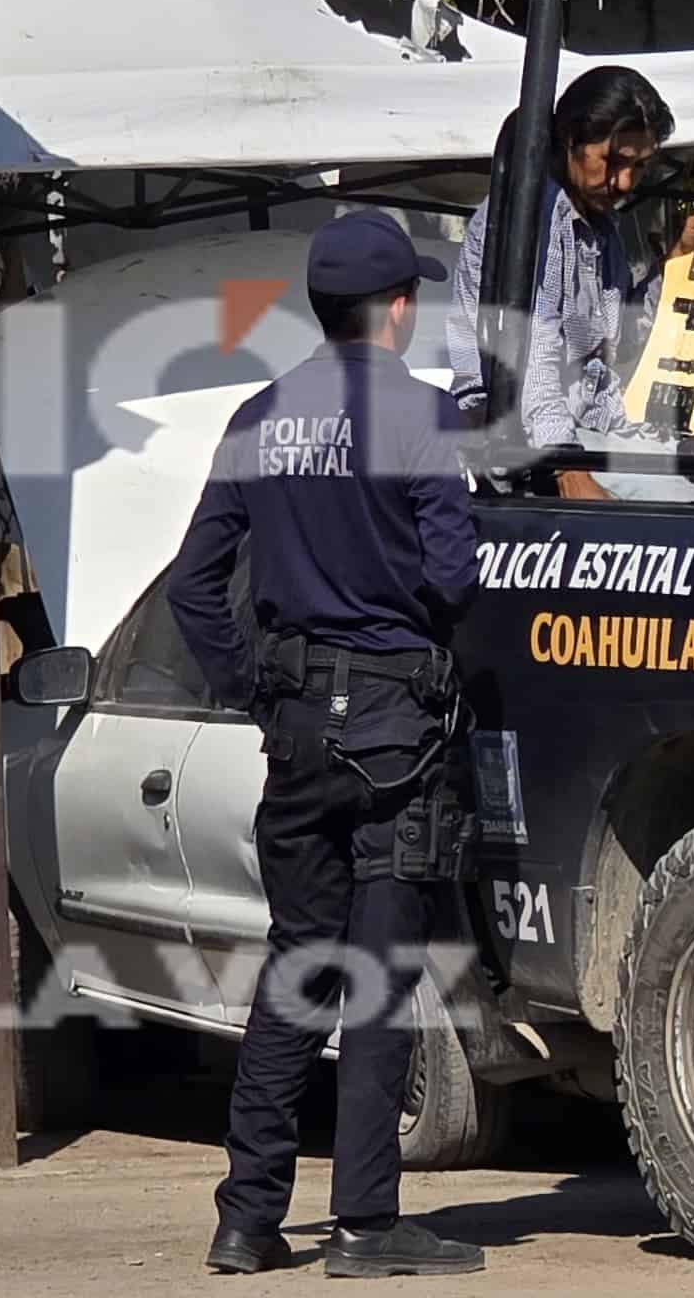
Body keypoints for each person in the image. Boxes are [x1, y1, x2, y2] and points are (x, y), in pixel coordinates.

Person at [167, 209, 486, 1279]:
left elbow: (194, 586)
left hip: (299, 733)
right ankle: (365, 1226)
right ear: (396, 308)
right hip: (397, 735)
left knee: (299, 966)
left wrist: (255, 692)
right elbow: (453, 579)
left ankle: (246, 1221)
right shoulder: (421, 414)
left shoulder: (259, 415)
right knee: (380, 980)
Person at [442, 64, 694, 498]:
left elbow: (623, 339)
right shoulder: (533, 219)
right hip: (531, 443)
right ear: (571, 139)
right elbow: (529, 354)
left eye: (640, 167)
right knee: (693, 506)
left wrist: (675, 263)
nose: (624, 182)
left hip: (599, 428)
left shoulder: (602, 231)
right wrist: (565, 466)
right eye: (614, 161)